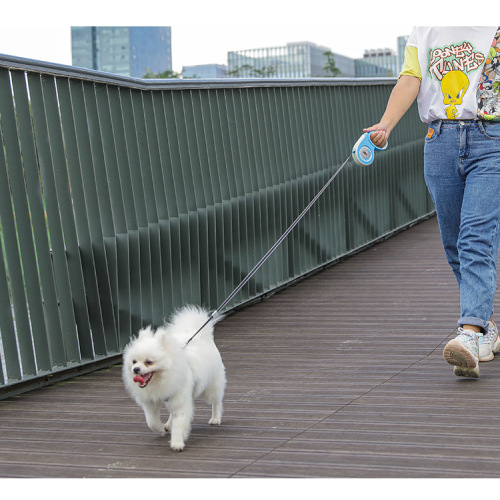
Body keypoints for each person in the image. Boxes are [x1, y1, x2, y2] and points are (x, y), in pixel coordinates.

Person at [365, 26, 500, 378]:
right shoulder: (426, 25)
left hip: (493, 137)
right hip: (438, 139)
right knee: (455, 242)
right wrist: (386, 125)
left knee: (476, 238)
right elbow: (411, 78)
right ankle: (485, 327)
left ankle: (468, 334)